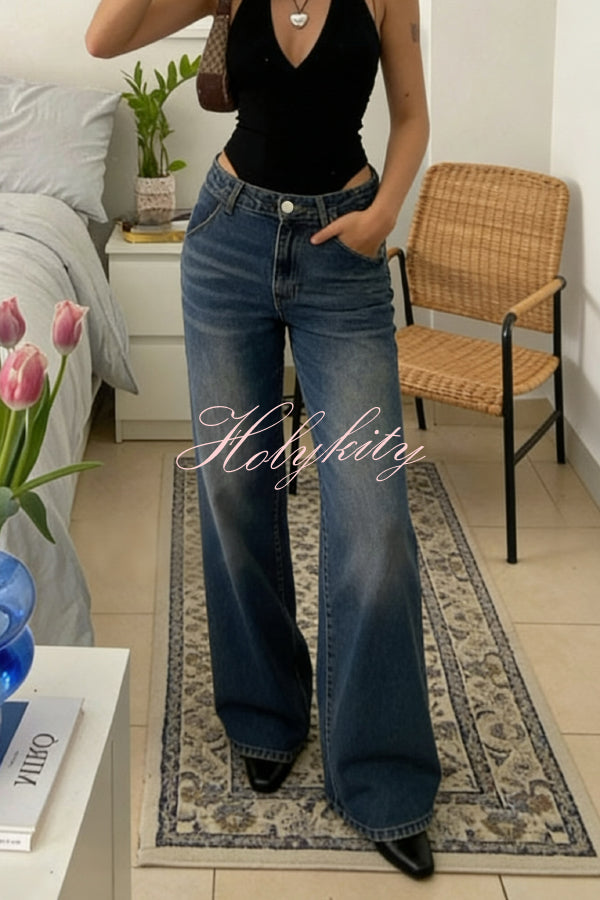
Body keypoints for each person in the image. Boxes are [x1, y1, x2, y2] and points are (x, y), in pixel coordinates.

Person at [86, 0, 441, 880]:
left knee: (375, 524)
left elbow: (411, 115)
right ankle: (264, 715)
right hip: (229, 241)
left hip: (345, 255)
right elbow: (103, 36)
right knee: (235, 491)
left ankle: (382, 772)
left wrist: (384, 214)